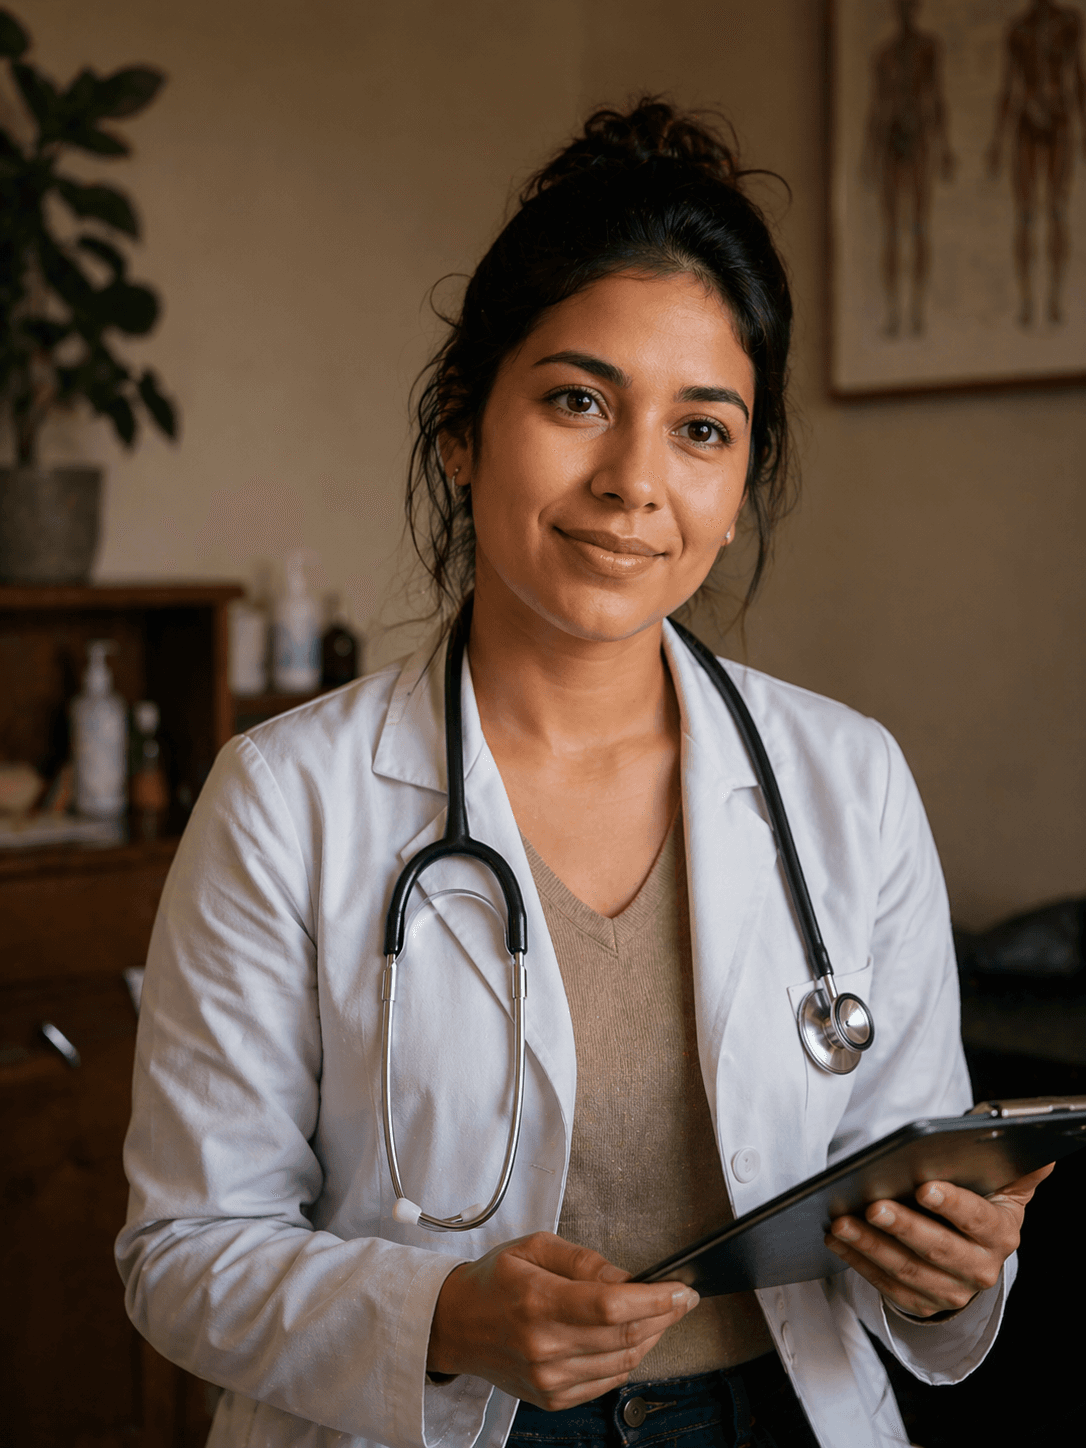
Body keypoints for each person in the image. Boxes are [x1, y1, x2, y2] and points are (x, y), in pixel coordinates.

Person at [116, 100, 1050, 1448]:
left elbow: (922, 1225)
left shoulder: (845, 781)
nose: (632, 482)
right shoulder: (284, 800)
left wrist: (953, 1273)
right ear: (460, 427)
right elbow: (181, 1251)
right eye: (576, 401)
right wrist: (445, 1319)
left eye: (701, 430)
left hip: (773, 1417)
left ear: (739, 490)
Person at [985, 0, 1086, 326]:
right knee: (1026, 215)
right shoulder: (1018, 29)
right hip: (1026, 124)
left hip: (1058, 122)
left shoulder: (1069, 23)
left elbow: (1078, 78)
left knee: (1057, 210)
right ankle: (1027, 302)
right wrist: (997, 142)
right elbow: (1008, 85)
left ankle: (1055, 299)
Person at [862, 0, 956, 338]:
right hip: (891, 143)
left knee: (917, 228)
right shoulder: (884, 54)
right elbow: (877, 106)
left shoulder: (928, 48)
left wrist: (944, 148)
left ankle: (916, 310)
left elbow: (936, 96)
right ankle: (893, 311)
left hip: (918, 144)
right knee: (891, 232)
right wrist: (868, 158)